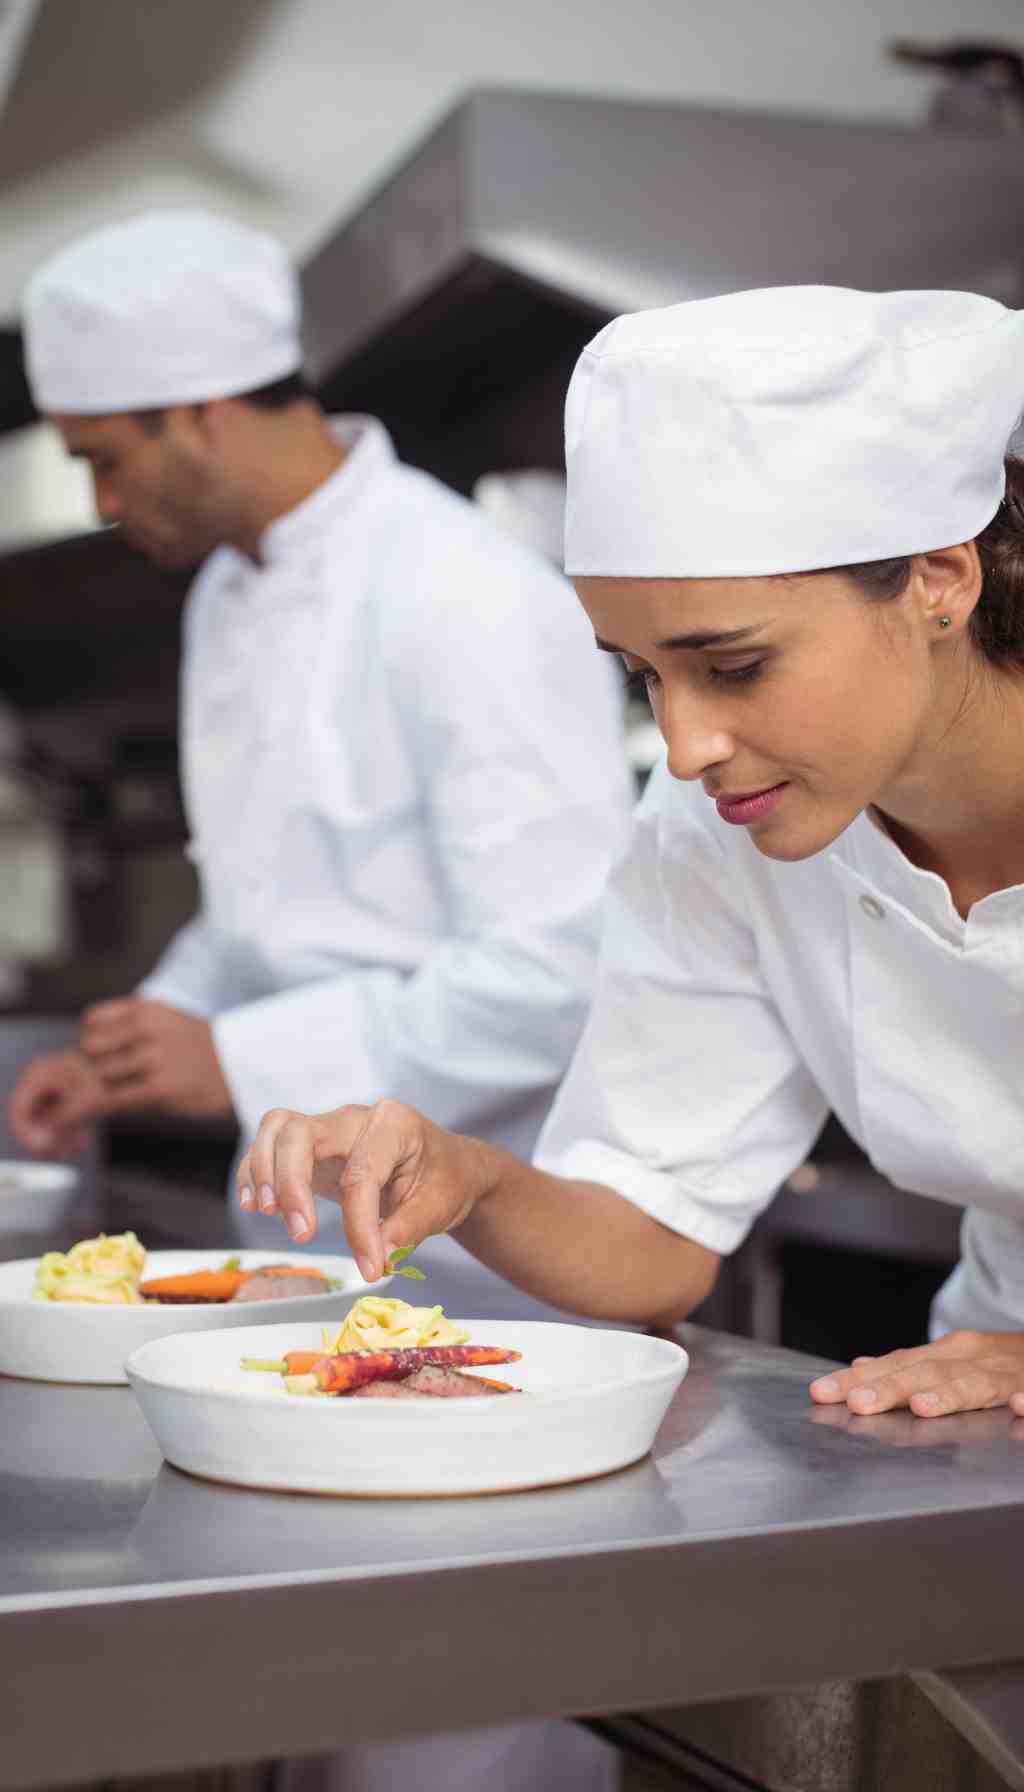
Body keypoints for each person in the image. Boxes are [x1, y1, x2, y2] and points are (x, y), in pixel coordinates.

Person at [239, 283, 1024, 1423]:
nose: (686, 743)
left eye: (736, 665)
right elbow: (657, 1230)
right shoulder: (719, 816)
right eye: (642, 674)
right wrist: (469, 1181)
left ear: (938, 580)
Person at [7, 208, 633, 1315]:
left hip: (480, 1260)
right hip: (289, 1230)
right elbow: (262, 904)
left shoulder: (468, 591)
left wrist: (241, 1060)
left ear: (198, 413)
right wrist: (145, 1043)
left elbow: (559, 973)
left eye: (105, 461)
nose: (103, 505)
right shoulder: (222, 598)